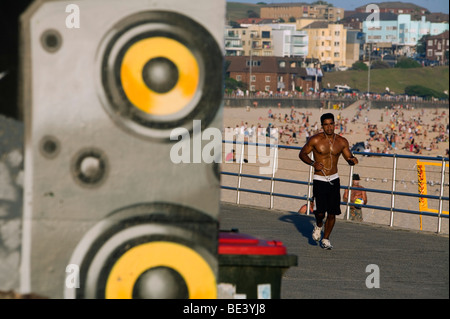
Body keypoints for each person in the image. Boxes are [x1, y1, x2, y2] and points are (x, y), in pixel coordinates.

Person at [299, 113, 358, 249]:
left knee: (332, 212)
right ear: (322, 126)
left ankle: (326, 238)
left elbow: (349, 157)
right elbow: (302, 154)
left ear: (334, 124)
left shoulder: (342, 141)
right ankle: (319, 224)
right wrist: (313, 163)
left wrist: (352, 160)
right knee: (320, 212)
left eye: (331, 124)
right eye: (326, 124)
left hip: (334, 179)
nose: (329, 127)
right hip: (320, 178)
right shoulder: (315, 140)